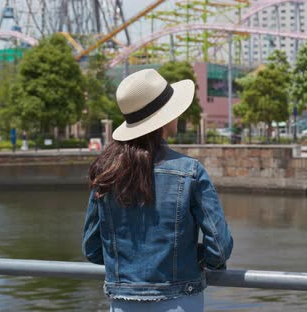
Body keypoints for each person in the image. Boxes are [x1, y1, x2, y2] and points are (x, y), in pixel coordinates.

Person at [83, 69, 234, 312]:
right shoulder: (190, 171)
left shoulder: (106, 173)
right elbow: (219, 247)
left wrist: (129, 264)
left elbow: (92, 249)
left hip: (122, 304)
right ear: (164, 119)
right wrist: (191, 256)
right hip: (180, 303)